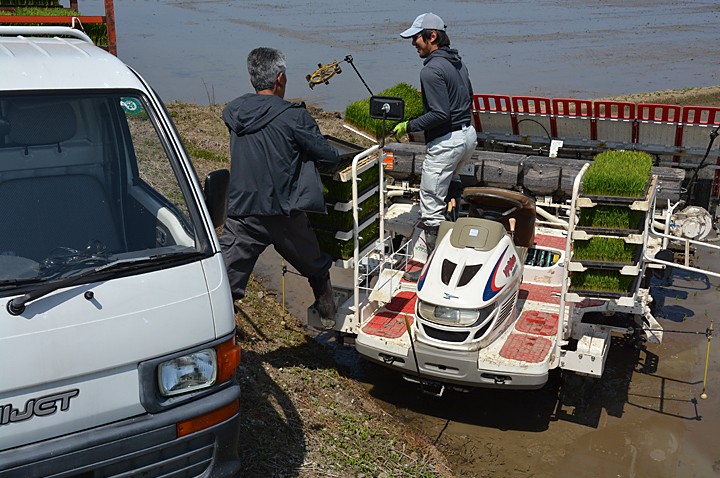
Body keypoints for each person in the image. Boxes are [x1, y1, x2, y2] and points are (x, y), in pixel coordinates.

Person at [220, 47, 340, 325]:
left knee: (224, 280)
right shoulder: (293, 116)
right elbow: (325, 153)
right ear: (280, 78)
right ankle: (327, 309)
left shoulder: (233, 111)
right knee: (316, 265)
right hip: (284, 210)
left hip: (243, 212)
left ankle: (215, 333)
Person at [393, 12, 477, 280]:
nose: (413, 43)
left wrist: (409, 126)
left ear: (432, 36)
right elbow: (468, 98)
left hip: (446, 143)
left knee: (430, 204)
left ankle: (434, 271)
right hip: (468, 137)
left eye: (416, 37)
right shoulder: (458, 63)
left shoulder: (430, 70)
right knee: (450, 185)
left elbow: (440, 114)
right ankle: (454, 243)